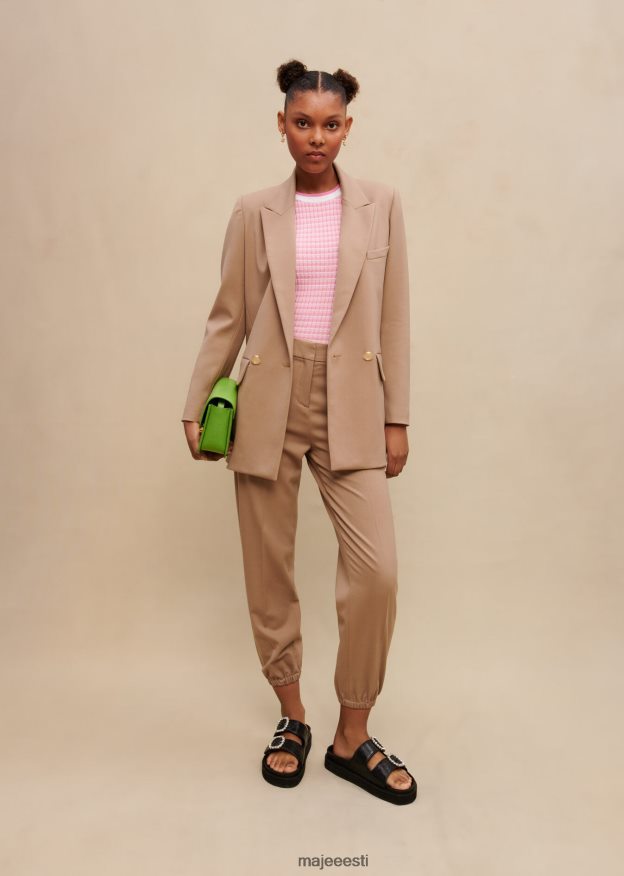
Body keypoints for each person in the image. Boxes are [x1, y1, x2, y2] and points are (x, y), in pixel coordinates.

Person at [181, 59, 416, 805]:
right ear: (281, 125)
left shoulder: (381, 205)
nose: (317, 136)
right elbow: (229, 313)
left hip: (353, 399)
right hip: (267, 398)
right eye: (304, 122)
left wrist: (396, 416)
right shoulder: (254, 212)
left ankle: (353, 735)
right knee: (268, 569)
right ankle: (292, 718)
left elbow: (394, 315)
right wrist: (196, 402)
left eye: (331, 124)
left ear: (348, 128)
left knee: (376, 573)